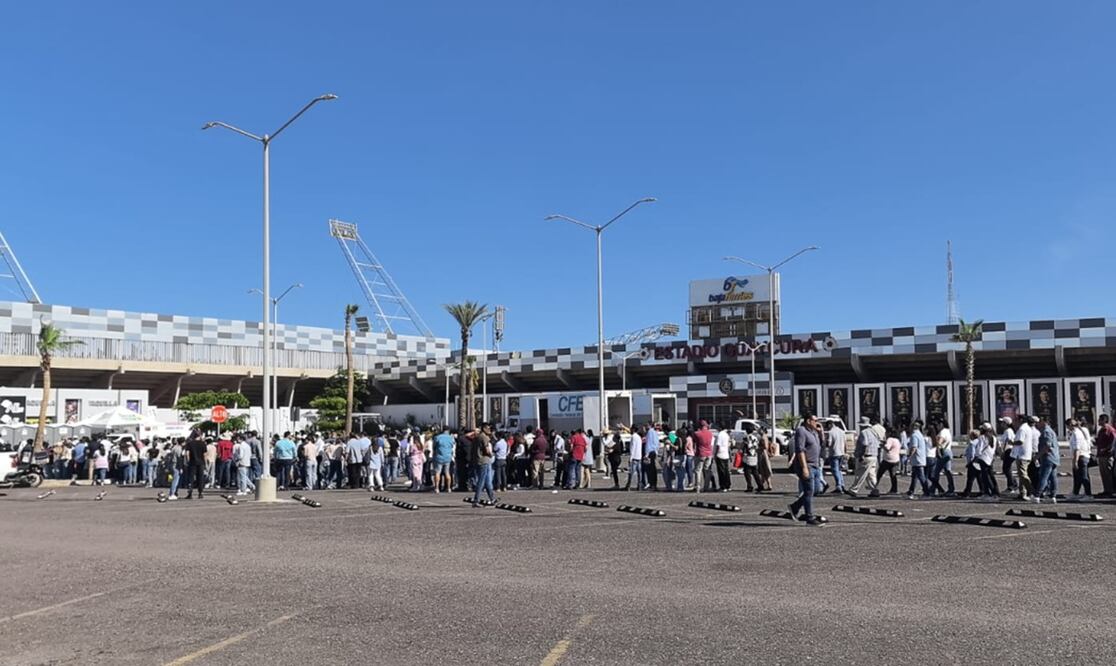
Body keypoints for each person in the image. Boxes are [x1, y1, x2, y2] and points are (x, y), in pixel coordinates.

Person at [788, 414, 824, 526]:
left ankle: (795, 506)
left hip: (816, 465)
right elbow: (800, 450)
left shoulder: (814, 432)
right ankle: (809, 517)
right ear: (808, 421)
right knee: (809, 491)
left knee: (817, 489)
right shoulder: (801, 431)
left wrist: (821, 432)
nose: (817, 422)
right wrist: (804, 467)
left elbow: (822, 444)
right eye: (815, 420)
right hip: (807, 465)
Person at [847, 419, 882, 497]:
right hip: (874, 456)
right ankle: (875, 490)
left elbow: (865, 444)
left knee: (860, 473)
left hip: (867, 456)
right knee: (871, 475)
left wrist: (862, 455)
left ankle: (854, 489)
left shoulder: (864, 433)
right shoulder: (874, 432)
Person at [1034, 416, 1060, 503]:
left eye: (1040, 421)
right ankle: (1053, 496)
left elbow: (1047, 446)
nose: (1038, 423)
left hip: (1048, 457)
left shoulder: (1046, 431)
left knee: (1043, 476)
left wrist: (1037, 456)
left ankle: (1037, 495)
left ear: (1044, 422)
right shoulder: (1051, 431)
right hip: (1054, 457)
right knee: (1052, 477)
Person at [905, 421, 931, 499]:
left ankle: (926, 492)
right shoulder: (920, 435)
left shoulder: (914, 436)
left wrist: (909, 456)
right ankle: (911, 491)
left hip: (917, 459)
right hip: (920, 458)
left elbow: (914, 447)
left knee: (921, 476)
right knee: (914, 476)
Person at [471, 425, 496, 507]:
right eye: (488, 428)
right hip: (483, 461)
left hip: (477, 460)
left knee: (486, 480)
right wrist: (491, 454)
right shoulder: (484, 437)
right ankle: (476, 500)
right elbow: (486, 450)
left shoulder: (476, 437)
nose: (489, 430)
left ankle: (492, 498)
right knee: (481, 481)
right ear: (484, 429)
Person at [1068, 418, 1092, 500]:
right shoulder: (1074, 432)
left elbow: (1077, 448)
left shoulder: (1078, 432)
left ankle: (1088, 494)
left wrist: (1075, 461)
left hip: (1082, 455)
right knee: (1077, 476)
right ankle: (1075, 493)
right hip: (1080, 455)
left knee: (1083, 476)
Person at [1012, 415, 1035, 501]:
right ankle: (1023, 493)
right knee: (1022, 475)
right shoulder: (1027, 428)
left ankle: (1032, 491)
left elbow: (1020, 441)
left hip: (1022, 454)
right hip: (1026, 454)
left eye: (1016, 420)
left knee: (1023, 474)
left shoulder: (1022, 429)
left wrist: (1012, 442)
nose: (1015, 422)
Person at [824, 418, 847, 495]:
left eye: (827, 427)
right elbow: (845, 442)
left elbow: (829, 444)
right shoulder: (842, 431)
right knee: (839, 470)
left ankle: (839, 486)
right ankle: (842, 484)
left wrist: (825, 442)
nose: (827, 429)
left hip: (834, 453)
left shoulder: (831, 432)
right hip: (841, 452)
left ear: (830, 425)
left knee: (835, 470)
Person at [1095, 415, 1116, 498]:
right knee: (1103, 474)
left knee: (1109, 473)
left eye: (1100, 420)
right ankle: (1106, 490)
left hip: (1107, 455)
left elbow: (1113, 442)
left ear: (1104, 420)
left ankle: (1111, 490)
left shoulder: (1110, 430)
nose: (1098, 421)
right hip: (1101, 455)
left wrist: (1106, 449)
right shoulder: (1101, 430)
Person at [692, 421, 714, 493]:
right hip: (709, 453)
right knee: (707, 470)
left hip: (700, 453)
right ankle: (706, 487)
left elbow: (694, 443)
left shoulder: (697, 433)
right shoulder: (710, 433)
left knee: (698, 470)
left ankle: (698, 486)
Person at [432, 426, 455, 493]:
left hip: (439, 456)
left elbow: (434, 446)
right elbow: (452, 446)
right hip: (448, 457)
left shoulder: (438, 437)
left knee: (437, 472)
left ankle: (436, 488)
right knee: (447, 472)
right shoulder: (451, 438)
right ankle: (448, 488)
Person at [184, 433, 207, 499]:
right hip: (201, 463)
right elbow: (205, 454)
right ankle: (200, 493)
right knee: (200, 478)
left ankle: (190, 492)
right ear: (199, 436)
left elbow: (187, 453)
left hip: (192, 462)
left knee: (191, 478)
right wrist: (205, 463)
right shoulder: (203, 444)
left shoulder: (190, 443)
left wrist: (188, 461)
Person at [879, 428, 901, 495]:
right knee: (893, 475)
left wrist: (882, 445)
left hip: (888, 459)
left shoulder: (890, 439)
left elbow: (887, 448)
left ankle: (873, 486)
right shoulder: (897, 440)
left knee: (879, 473)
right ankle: (894, 489)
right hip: (896, 459)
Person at [714, 425, 732, 492]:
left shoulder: (720, 435)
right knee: (726, 471)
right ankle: (728, 485)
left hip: (720, 454)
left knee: (721, 471)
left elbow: (718, 445)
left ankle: (723, 486)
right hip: (726, 454)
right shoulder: (726, 435)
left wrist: (715, 454)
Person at [643, 424, 660, 490]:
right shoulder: (655, 432)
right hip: (654, 452)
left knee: (650, 470)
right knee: (653, 469)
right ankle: (654, 484)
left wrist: (646, 454)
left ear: (650, 425)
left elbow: (648, 444)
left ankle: (651, 484)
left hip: (650, 452)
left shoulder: (650, 432)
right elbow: (657, 443)